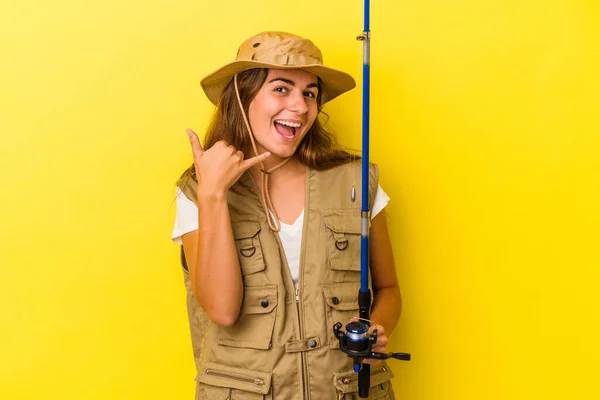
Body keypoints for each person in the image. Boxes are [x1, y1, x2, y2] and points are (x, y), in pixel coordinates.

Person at [171, 31, 402, 399]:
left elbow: (388, 289)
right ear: (243, 96)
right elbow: (222, 309)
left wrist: (376, 327)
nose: (300, 107)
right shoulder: (197, 192)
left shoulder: (356, 181)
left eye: (310, 93)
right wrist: (214, 193)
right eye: (282, 89)